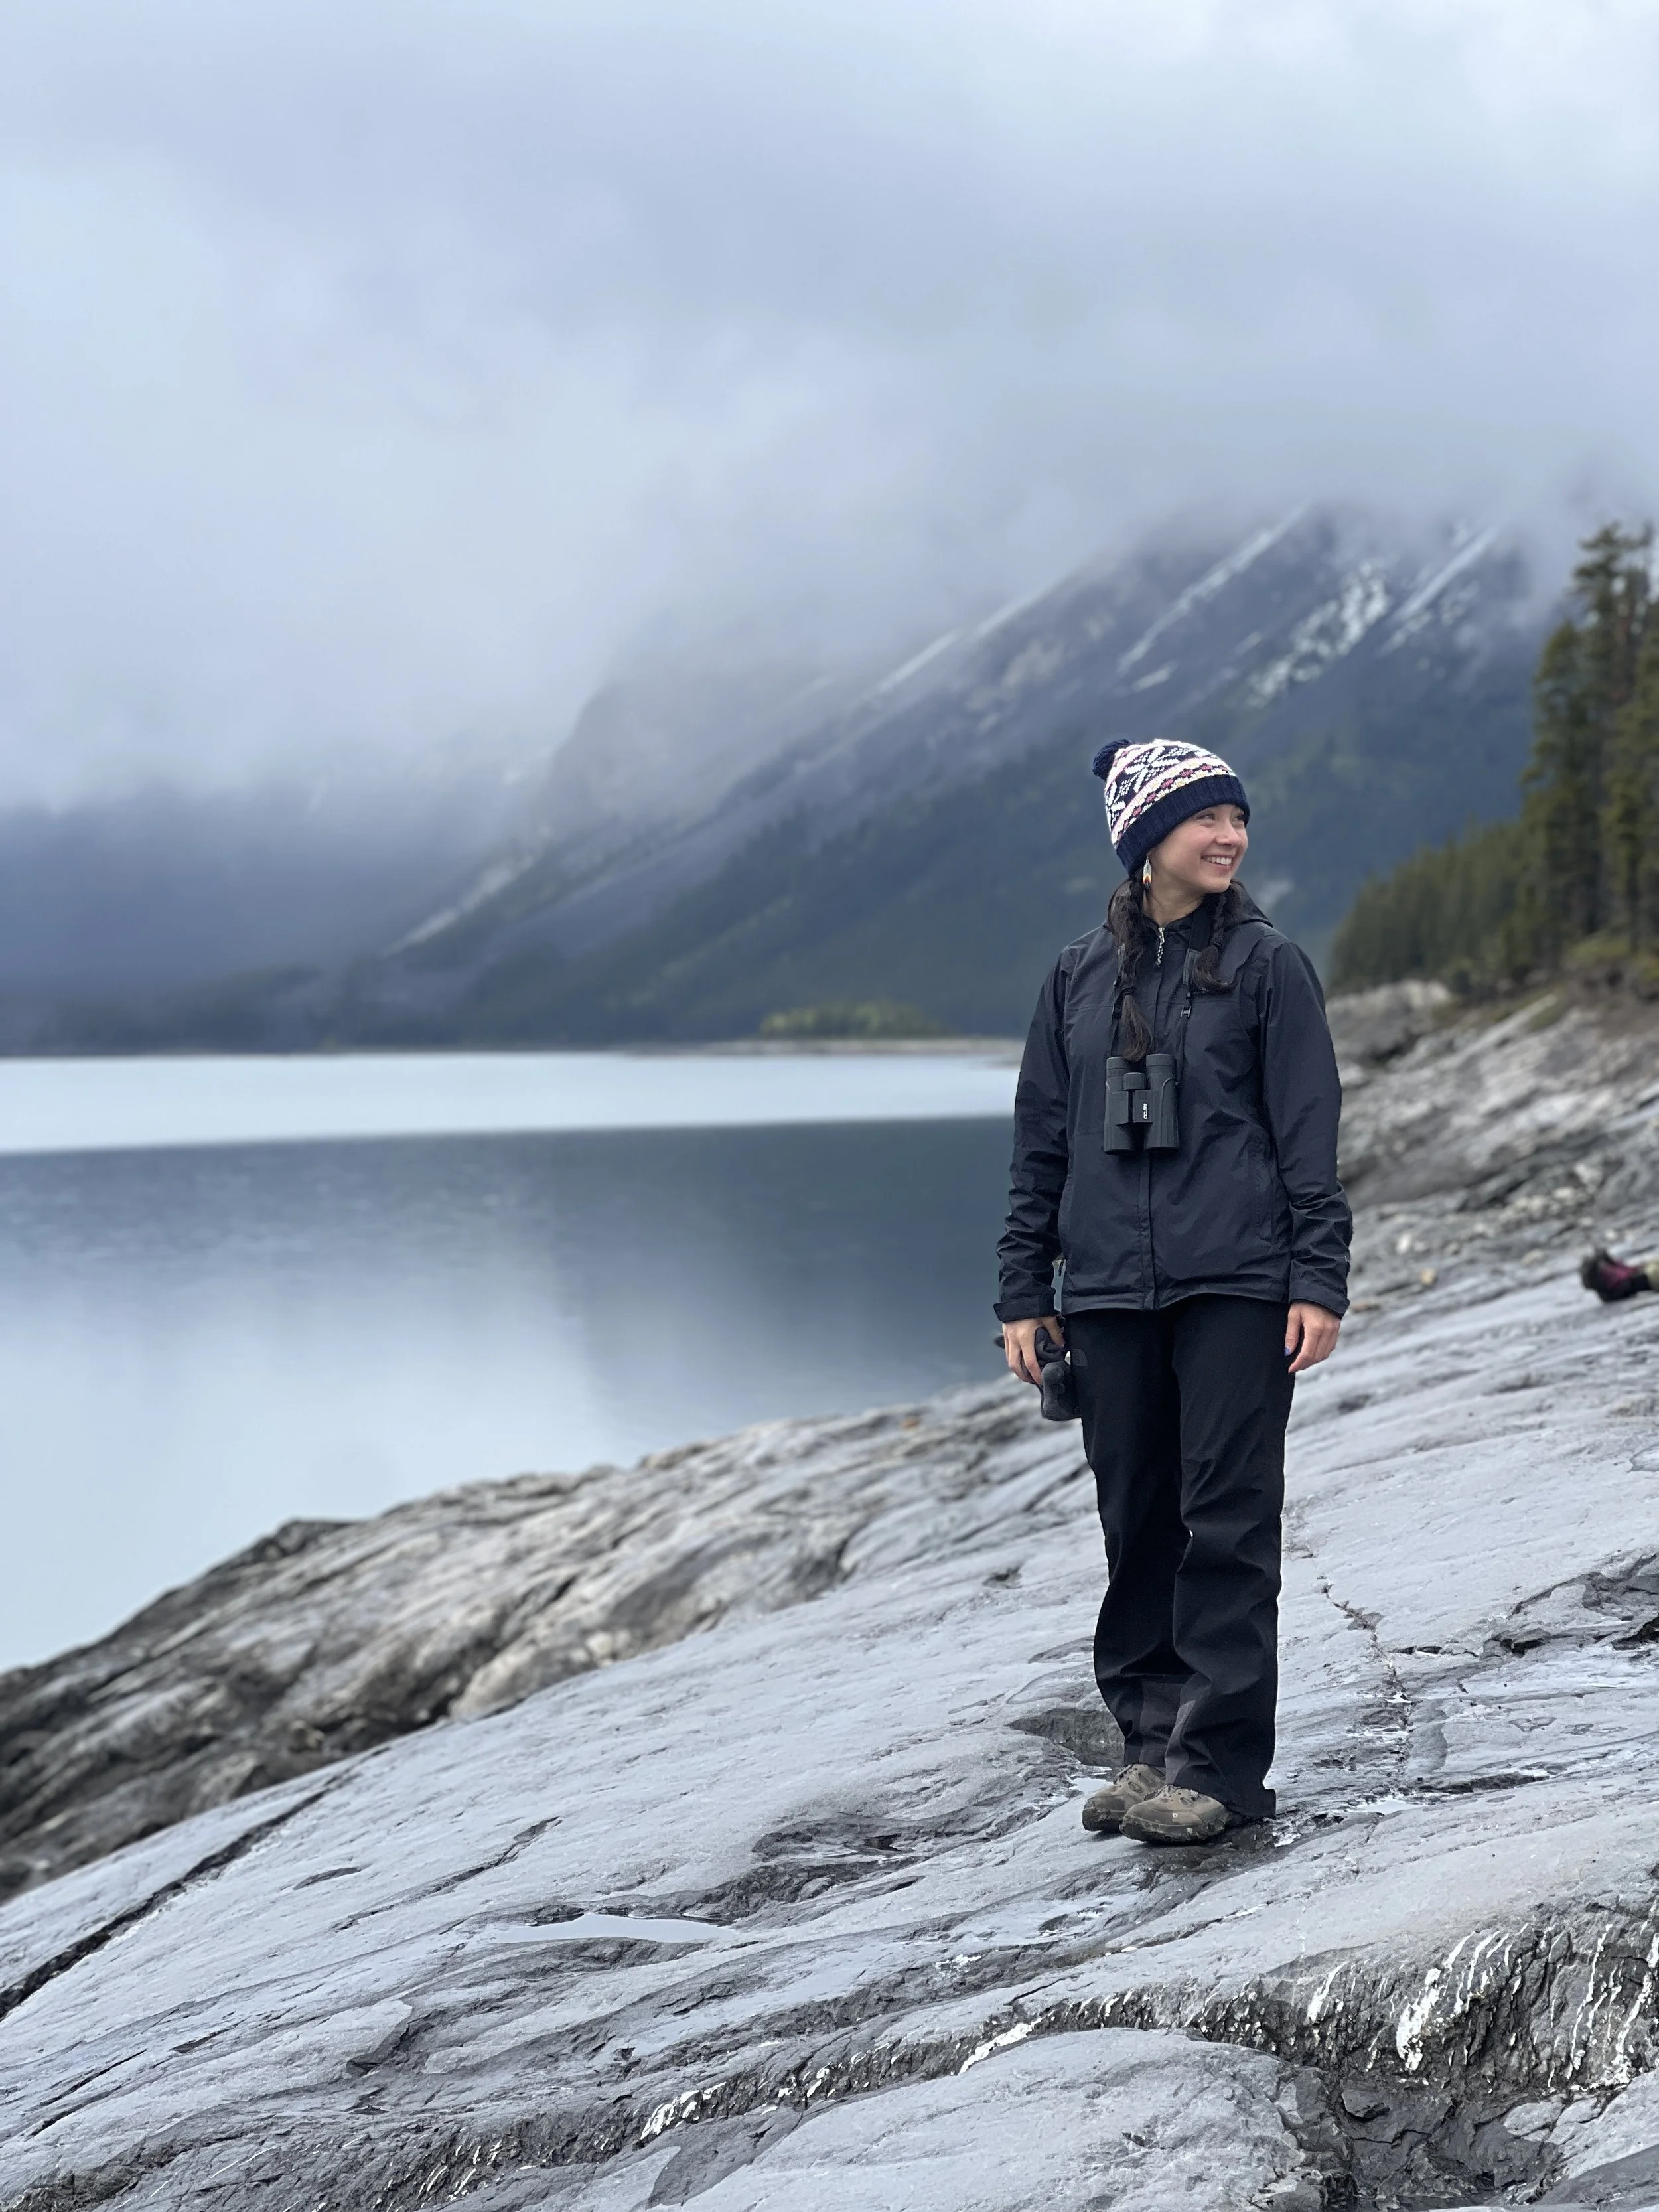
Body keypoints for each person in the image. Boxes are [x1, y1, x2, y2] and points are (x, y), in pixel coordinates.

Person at [997, 735, 1350, 1846]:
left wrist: (1317, 1275)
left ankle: (1222, 1768)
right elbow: (1041, 1142)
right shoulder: (1076, 975)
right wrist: (1024, 1287)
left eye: (1237, 819)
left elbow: (1308, 1135)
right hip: (1107, 1293)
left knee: (1228, 1524)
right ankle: (1151, 1745)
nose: (1229, 836)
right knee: (1136, 1521)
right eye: (1205, 819)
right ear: (1145, 840)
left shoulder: (1269, 965)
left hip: (1238, 1285)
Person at [1582, 1250, 1659, 1303]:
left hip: (1647, 1276)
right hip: (1650, 1279)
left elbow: (1630, 1269)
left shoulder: (1609, 1290)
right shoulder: (1614, 1287)